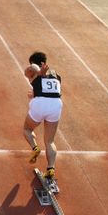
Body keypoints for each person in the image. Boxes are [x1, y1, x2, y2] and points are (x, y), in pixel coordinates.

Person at [23, 51, 62, 180]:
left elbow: (28, 71)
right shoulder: (56, 75)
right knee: (50, 141)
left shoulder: (34, 70)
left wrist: (38, 73)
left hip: (40, 103)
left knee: (27, 129)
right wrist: (35, 91)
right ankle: (51, 168)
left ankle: (35, 148)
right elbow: (52, 91)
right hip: (56, 105)